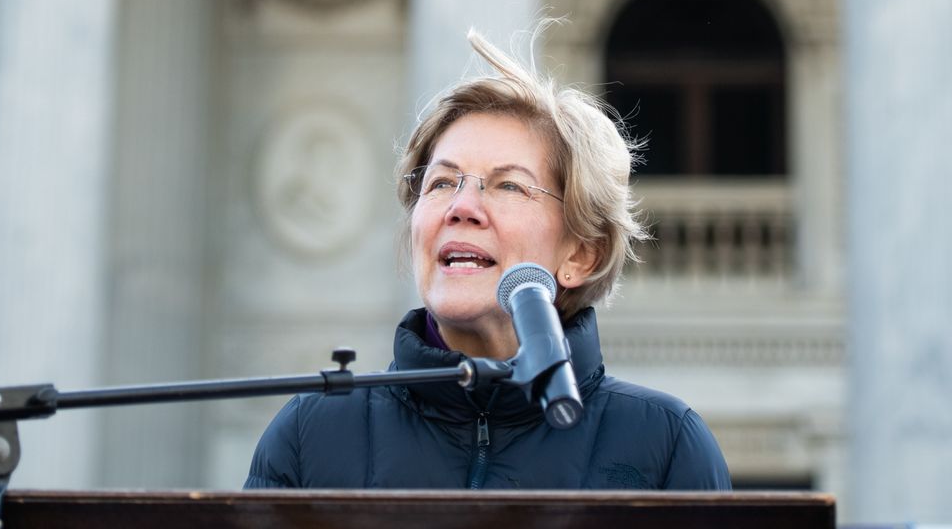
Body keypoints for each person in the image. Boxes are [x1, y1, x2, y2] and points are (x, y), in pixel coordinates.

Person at [245, 31, 732, 490]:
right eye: (441, 183)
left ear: (582, 254)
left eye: (508, 186)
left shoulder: (666, 445)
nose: (461, 207)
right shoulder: (310, 434)